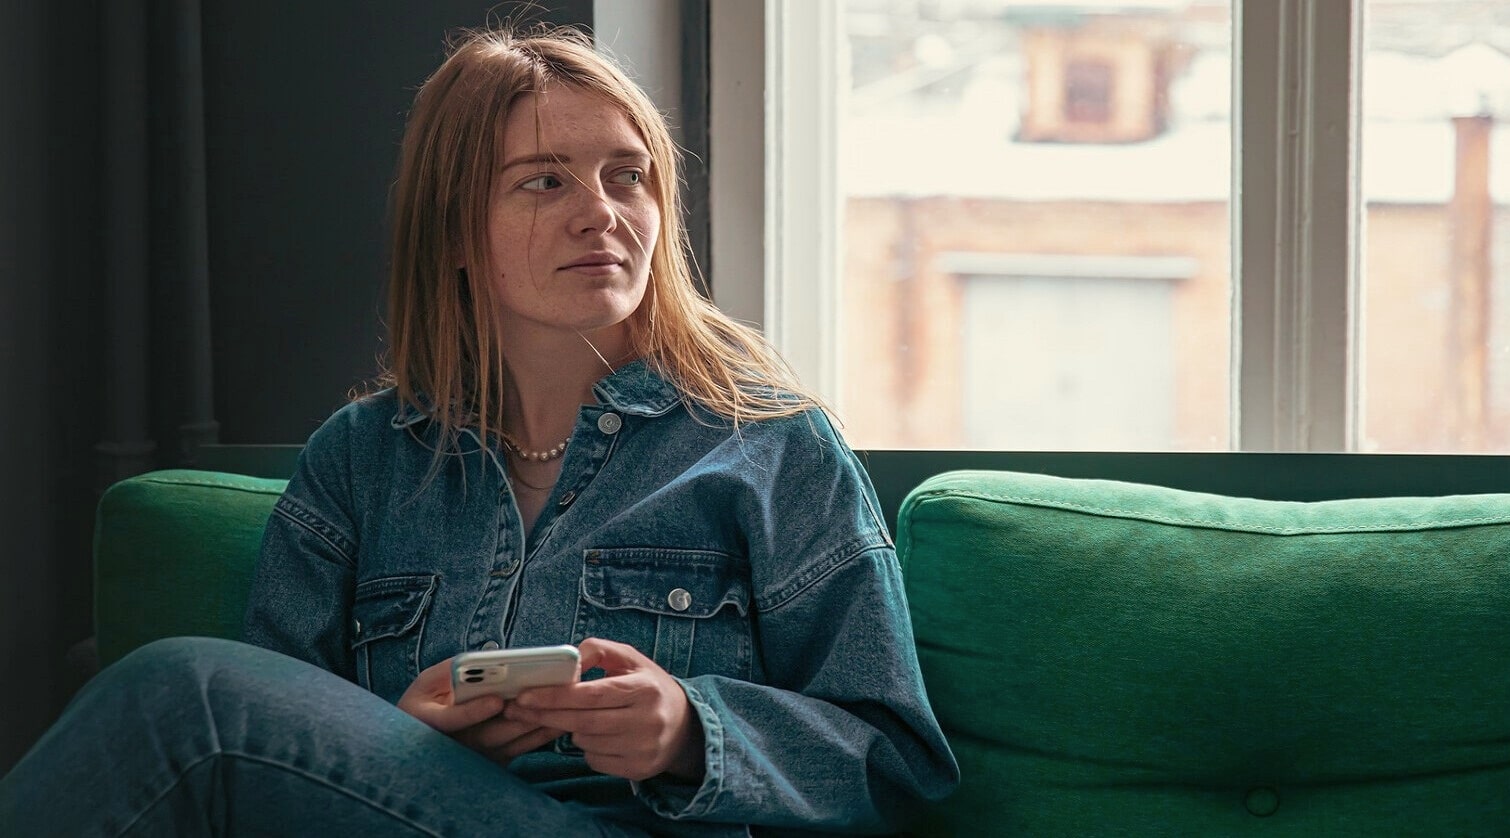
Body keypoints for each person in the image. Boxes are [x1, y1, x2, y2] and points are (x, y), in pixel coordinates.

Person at [0, 23, 958, 836]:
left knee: (184, 693)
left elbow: (896, 763)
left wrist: (689, 734)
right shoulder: (362, 459)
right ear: (455, 231)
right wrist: (401, 728)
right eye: (545, 181)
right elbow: (275, 742)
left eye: (629, 177)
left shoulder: (770, 444)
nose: (604, 214)